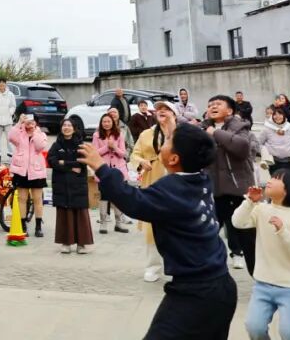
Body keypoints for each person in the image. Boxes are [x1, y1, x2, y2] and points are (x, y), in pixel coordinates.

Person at [79, 122, 236, 339]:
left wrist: (102, 169)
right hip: (222, 286)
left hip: (196, 293)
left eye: (169, 140)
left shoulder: (172, 189)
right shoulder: (201, 179)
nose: (163, 143)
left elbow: (132, 201)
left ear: (174, 159)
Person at [233, 168, 290, 340]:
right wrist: (249, 202)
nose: (269, 180)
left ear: (288, 189)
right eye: (271, 177)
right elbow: (238, 222)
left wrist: (283, 231)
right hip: (263, 283)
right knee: (254, 327)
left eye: (277, 178)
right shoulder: (261, 209)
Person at [201, 94, 256, 274]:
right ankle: (208, 271)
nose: (213, 106)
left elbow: (241, 148)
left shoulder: (240, 126)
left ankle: (258, 274)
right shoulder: (202, 128)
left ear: (230, 110)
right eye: (210, 104)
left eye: (218, 104)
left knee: (245, 234)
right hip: (213, 189)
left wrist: (215, 133)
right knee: (207, 232)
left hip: (237, 189)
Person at [129, 100, 178, 281]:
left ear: (174, 114)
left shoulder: (182, 133)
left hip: (177, 185)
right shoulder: (147, 133)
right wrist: (141, 162)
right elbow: (135, 154)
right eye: (159, 110)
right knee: (152, 227)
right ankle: (153, 267)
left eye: (166, 109)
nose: (161, 112)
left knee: (176, 227)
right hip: (153, 182)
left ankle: (177, 266)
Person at [48, 116, 93, 254]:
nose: (66, 127)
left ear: (74, 128)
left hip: (78, 184)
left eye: (69, 125)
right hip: (61, 185)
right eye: (64, 125)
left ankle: (82, 244)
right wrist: (69, 166)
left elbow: (82, 162)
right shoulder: (56, 145)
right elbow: (51, 161)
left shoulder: (80, 145)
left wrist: (63, 163)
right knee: (64, 214)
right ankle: (66, 243)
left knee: (80, 213)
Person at [9, 113, 49, 237]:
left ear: (36, 123)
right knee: (22, 199)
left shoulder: (41, 134)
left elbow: (40, 146)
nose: (29, 124)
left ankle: (38, 226)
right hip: (21, 171)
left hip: (36, 171)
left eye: (32, 122)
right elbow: (10, 137)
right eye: (27, 122)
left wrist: (35, 132)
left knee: (37, 199)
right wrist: (19, 123)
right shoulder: (19, 134)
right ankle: (22, 225)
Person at [93, 112, 129, 234]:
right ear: (101, 123)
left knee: (118, 196)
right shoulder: (96, 135)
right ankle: (103, 223)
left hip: (117, 170)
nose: (107, 124)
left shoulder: (119, 135)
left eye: (109, 121)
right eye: (104, 122)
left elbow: (124, 154)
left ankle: (118, 223)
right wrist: (107, 147)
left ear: (113, 122)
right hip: (102, 170)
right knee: (104, 196)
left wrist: (114, 147)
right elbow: (95, 153)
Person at [261, 105, 290, 176]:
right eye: (275, 114)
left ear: (284, 116)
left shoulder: (289, 128)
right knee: (276, 183)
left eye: (280, 114)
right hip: (274, 162)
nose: (277, 116)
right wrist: (265, 151)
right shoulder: (267, 129)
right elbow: (259, 143)